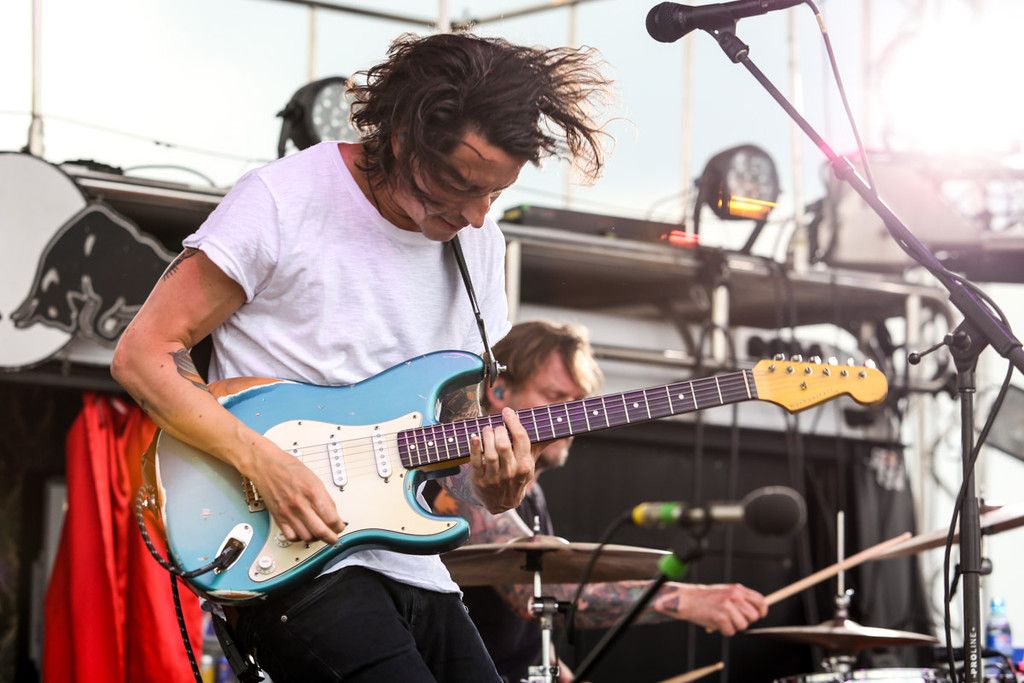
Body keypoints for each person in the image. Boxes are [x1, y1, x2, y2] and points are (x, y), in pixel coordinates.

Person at [111, 33, 611, 682]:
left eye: (494, 192)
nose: (475, 214)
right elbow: (143, 353)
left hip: (409, 560)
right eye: (459, 184)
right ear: (402, 139)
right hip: (285, 550)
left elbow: (456, 448)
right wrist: (265, 464)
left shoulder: (482, 246)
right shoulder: (283, 198)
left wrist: (495, 485)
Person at [430, 320, 769, 683]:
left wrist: (558, 670)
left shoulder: (534, 495)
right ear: (498, 391)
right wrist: (686, 599)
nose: (570, 417)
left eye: (577, 402)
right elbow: (537, 589)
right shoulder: (464, 480)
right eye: (555, 397)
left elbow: (516, 627)